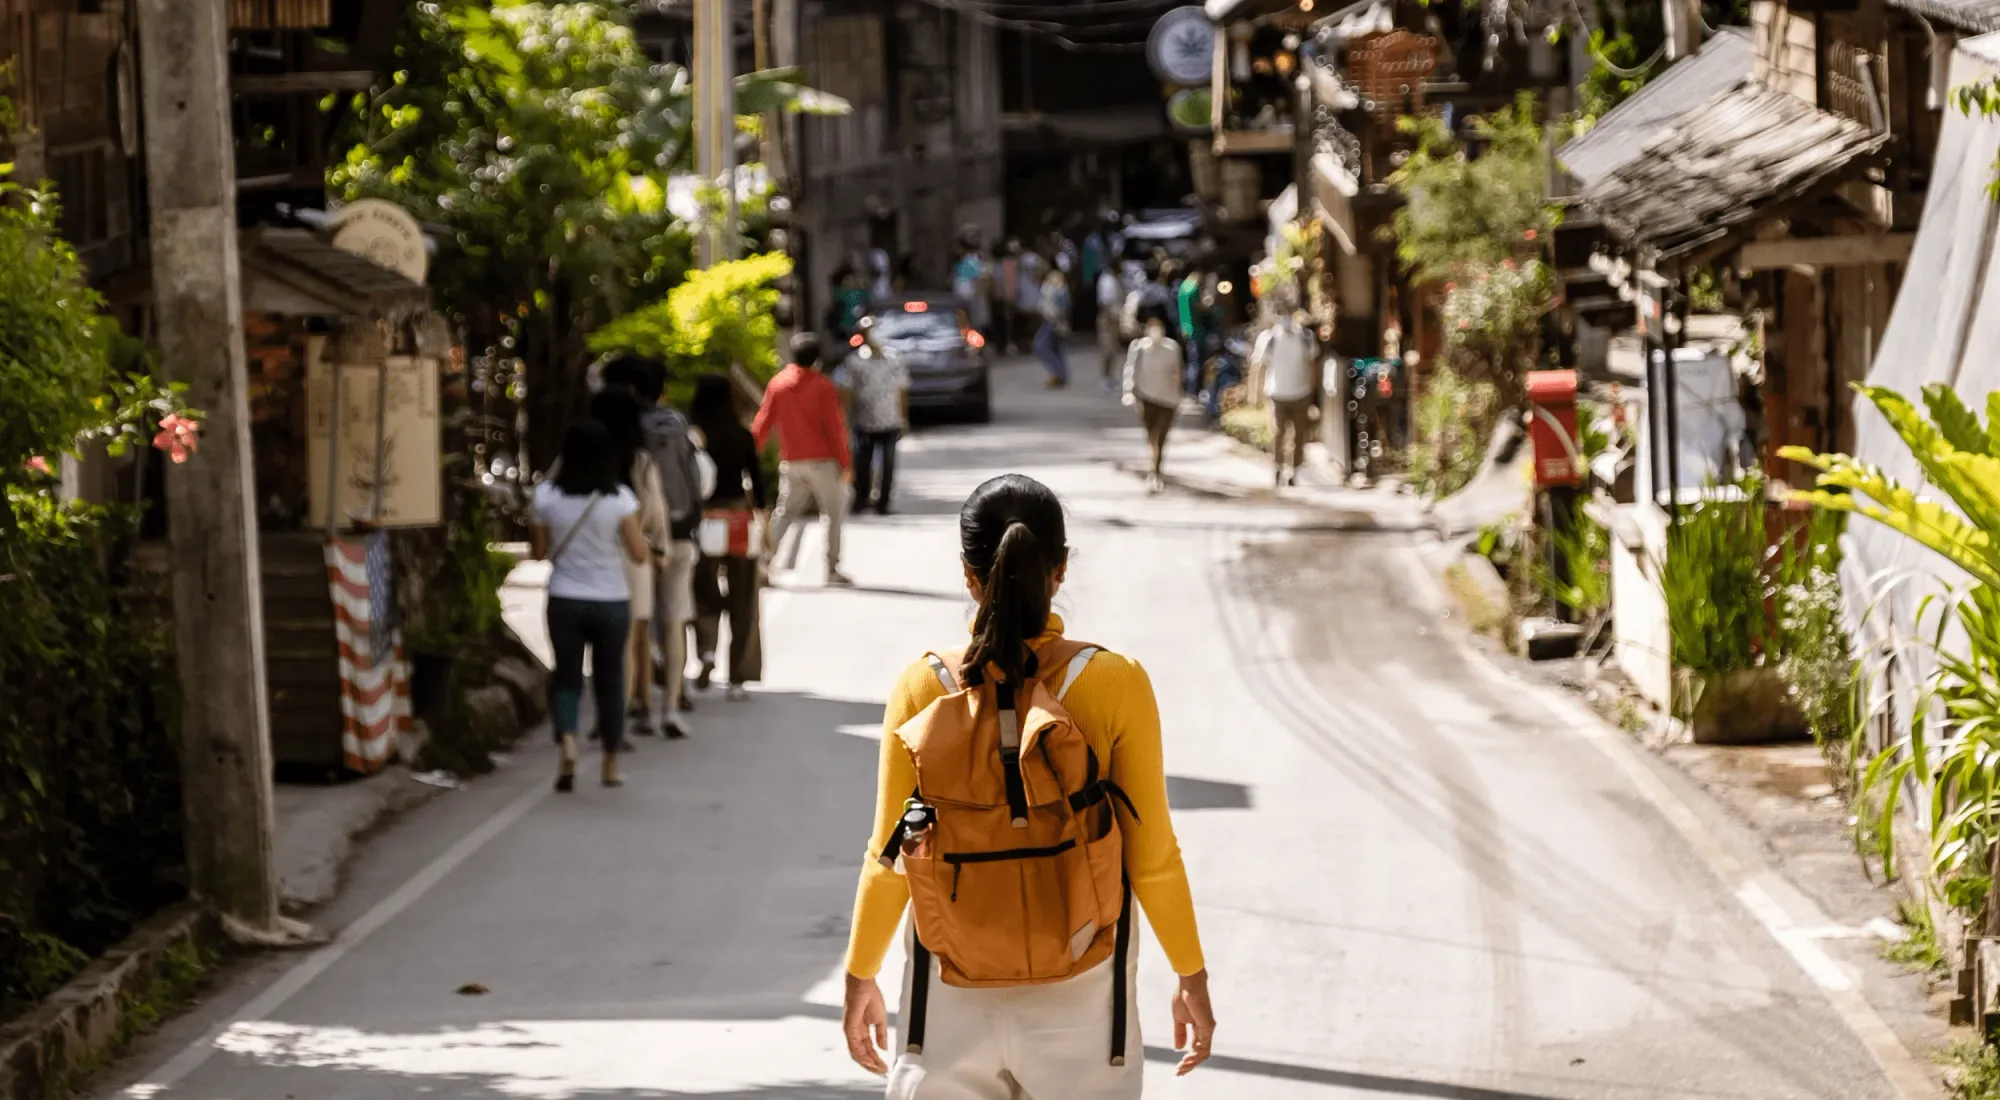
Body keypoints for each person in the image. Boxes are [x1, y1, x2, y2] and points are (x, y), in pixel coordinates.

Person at [839, 474, 1217, 1092]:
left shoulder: (922, 688)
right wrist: (1191, 975)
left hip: (949, 995)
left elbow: (889, 856)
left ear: (968, 575)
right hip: (1084, 995)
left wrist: (861, 975)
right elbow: (1152, 859)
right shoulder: (1114, 683)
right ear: (1059, 570)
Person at [530, 419, 648, 791]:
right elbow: (639, 554)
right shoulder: (620, 500)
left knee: (566, 676)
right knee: (610, 680)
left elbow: (537, 552)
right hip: (612, 601)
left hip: (565, 598)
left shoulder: (546, 497)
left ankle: (567, 742)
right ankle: (611, 764)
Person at [604, 355, 705, 738]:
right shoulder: (677, 425)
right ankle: (673, 707)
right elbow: (694, 478)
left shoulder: (624, 431)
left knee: (640, 626)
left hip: (640, 540)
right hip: (681, 532)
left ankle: (639, 703)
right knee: (675, 619)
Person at [585, 386, 671, 739]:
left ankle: (606, 715)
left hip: (594, 554)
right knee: (635, 637)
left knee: (601, 641)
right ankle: (634, 708)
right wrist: (659, 548)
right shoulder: (640, 459)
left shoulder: (584, 457)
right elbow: (656, 510)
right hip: (635, 552)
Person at [689, 374, 767, 702]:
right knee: (744, 596)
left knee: (703, 591)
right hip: (737, 520)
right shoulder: (742, 435)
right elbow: (759, 486)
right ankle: (737, 676)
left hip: (704, 519)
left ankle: (706, 652)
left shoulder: (695, 437)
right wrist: (764, 525)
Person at [754, 332, 854, 587]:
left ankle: (764, 563)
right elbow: (835, 428)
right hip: (823, 461)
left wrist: (752, 452)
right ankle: (831, 568)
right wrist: (846, 463)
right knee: (832, 513)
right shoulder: (823, 387)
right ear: (817, 358)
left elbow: (763, 422)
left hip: (792, 460)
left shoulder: (778, 384)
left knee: (785, 513)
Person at [834, 315, 910, 515]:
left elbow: (901, 390)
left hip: (890, 420)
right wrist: (845, 420)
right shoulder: (854, 361)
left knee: (888, 464)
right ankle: (861, 500)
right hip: (864, 421)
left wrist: (903, 418)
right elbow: (847, 391)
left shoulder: (895, 359)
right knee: (862, 462)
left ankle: (883, 503)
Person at [1123, 305, 1185, 494]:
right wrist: (1128, 391)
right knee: (1151, 436)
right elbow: (1130, 370)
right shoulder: (1139, 348)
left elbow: (1179, 372)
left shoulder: (1172, 348)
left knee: (1161, 438)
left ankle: (1156, 471)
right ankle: (1153, 469)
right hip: (1146, 398)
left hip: (1168, 400)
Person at [1255, 310, 1321, 488]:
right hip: (1277, 393)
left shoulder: (1305, 337)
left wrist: (1313, 390)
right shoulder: (1269, 338)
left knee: (1299, 435)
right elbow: (1260, 366)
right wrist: (1255, 393)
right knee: (1278, 433)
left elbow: (1312, 364)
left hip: (1301, 392)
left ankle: (1294, 470)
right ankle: (1278, 467)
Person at [1034, 268, 1071, 388]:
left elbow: (1059, 308)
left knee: (1041, 346)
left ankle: (1057, 373)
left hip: (1053, 322)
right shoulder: (1059, 290)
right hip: (1054, 321)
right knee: (1057, 348)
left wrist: (1057, 319)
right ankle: (1060, 375)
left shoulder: (1060, 290)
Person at [1176, 266, 1205, 397]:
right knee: (1195, 362)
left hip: (1184, 327)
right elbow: (1199, 307)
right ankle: (1193, 390)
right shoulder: (1193, 289)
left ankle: (1187, 388)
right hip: (1195, 329)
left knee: (1187, 360)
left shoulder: (1183, 287)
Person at [1095, 263, 1124, 392]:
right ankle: (1105, 378)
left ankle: (1111, 377)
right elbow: (1105, 304)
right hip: (1108, 319)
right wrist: (1111, 322)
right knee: (1107, 349)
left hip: (1114, 318)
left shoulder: (1112, 280)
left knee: (1113, 350)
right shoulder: (1107, 281)